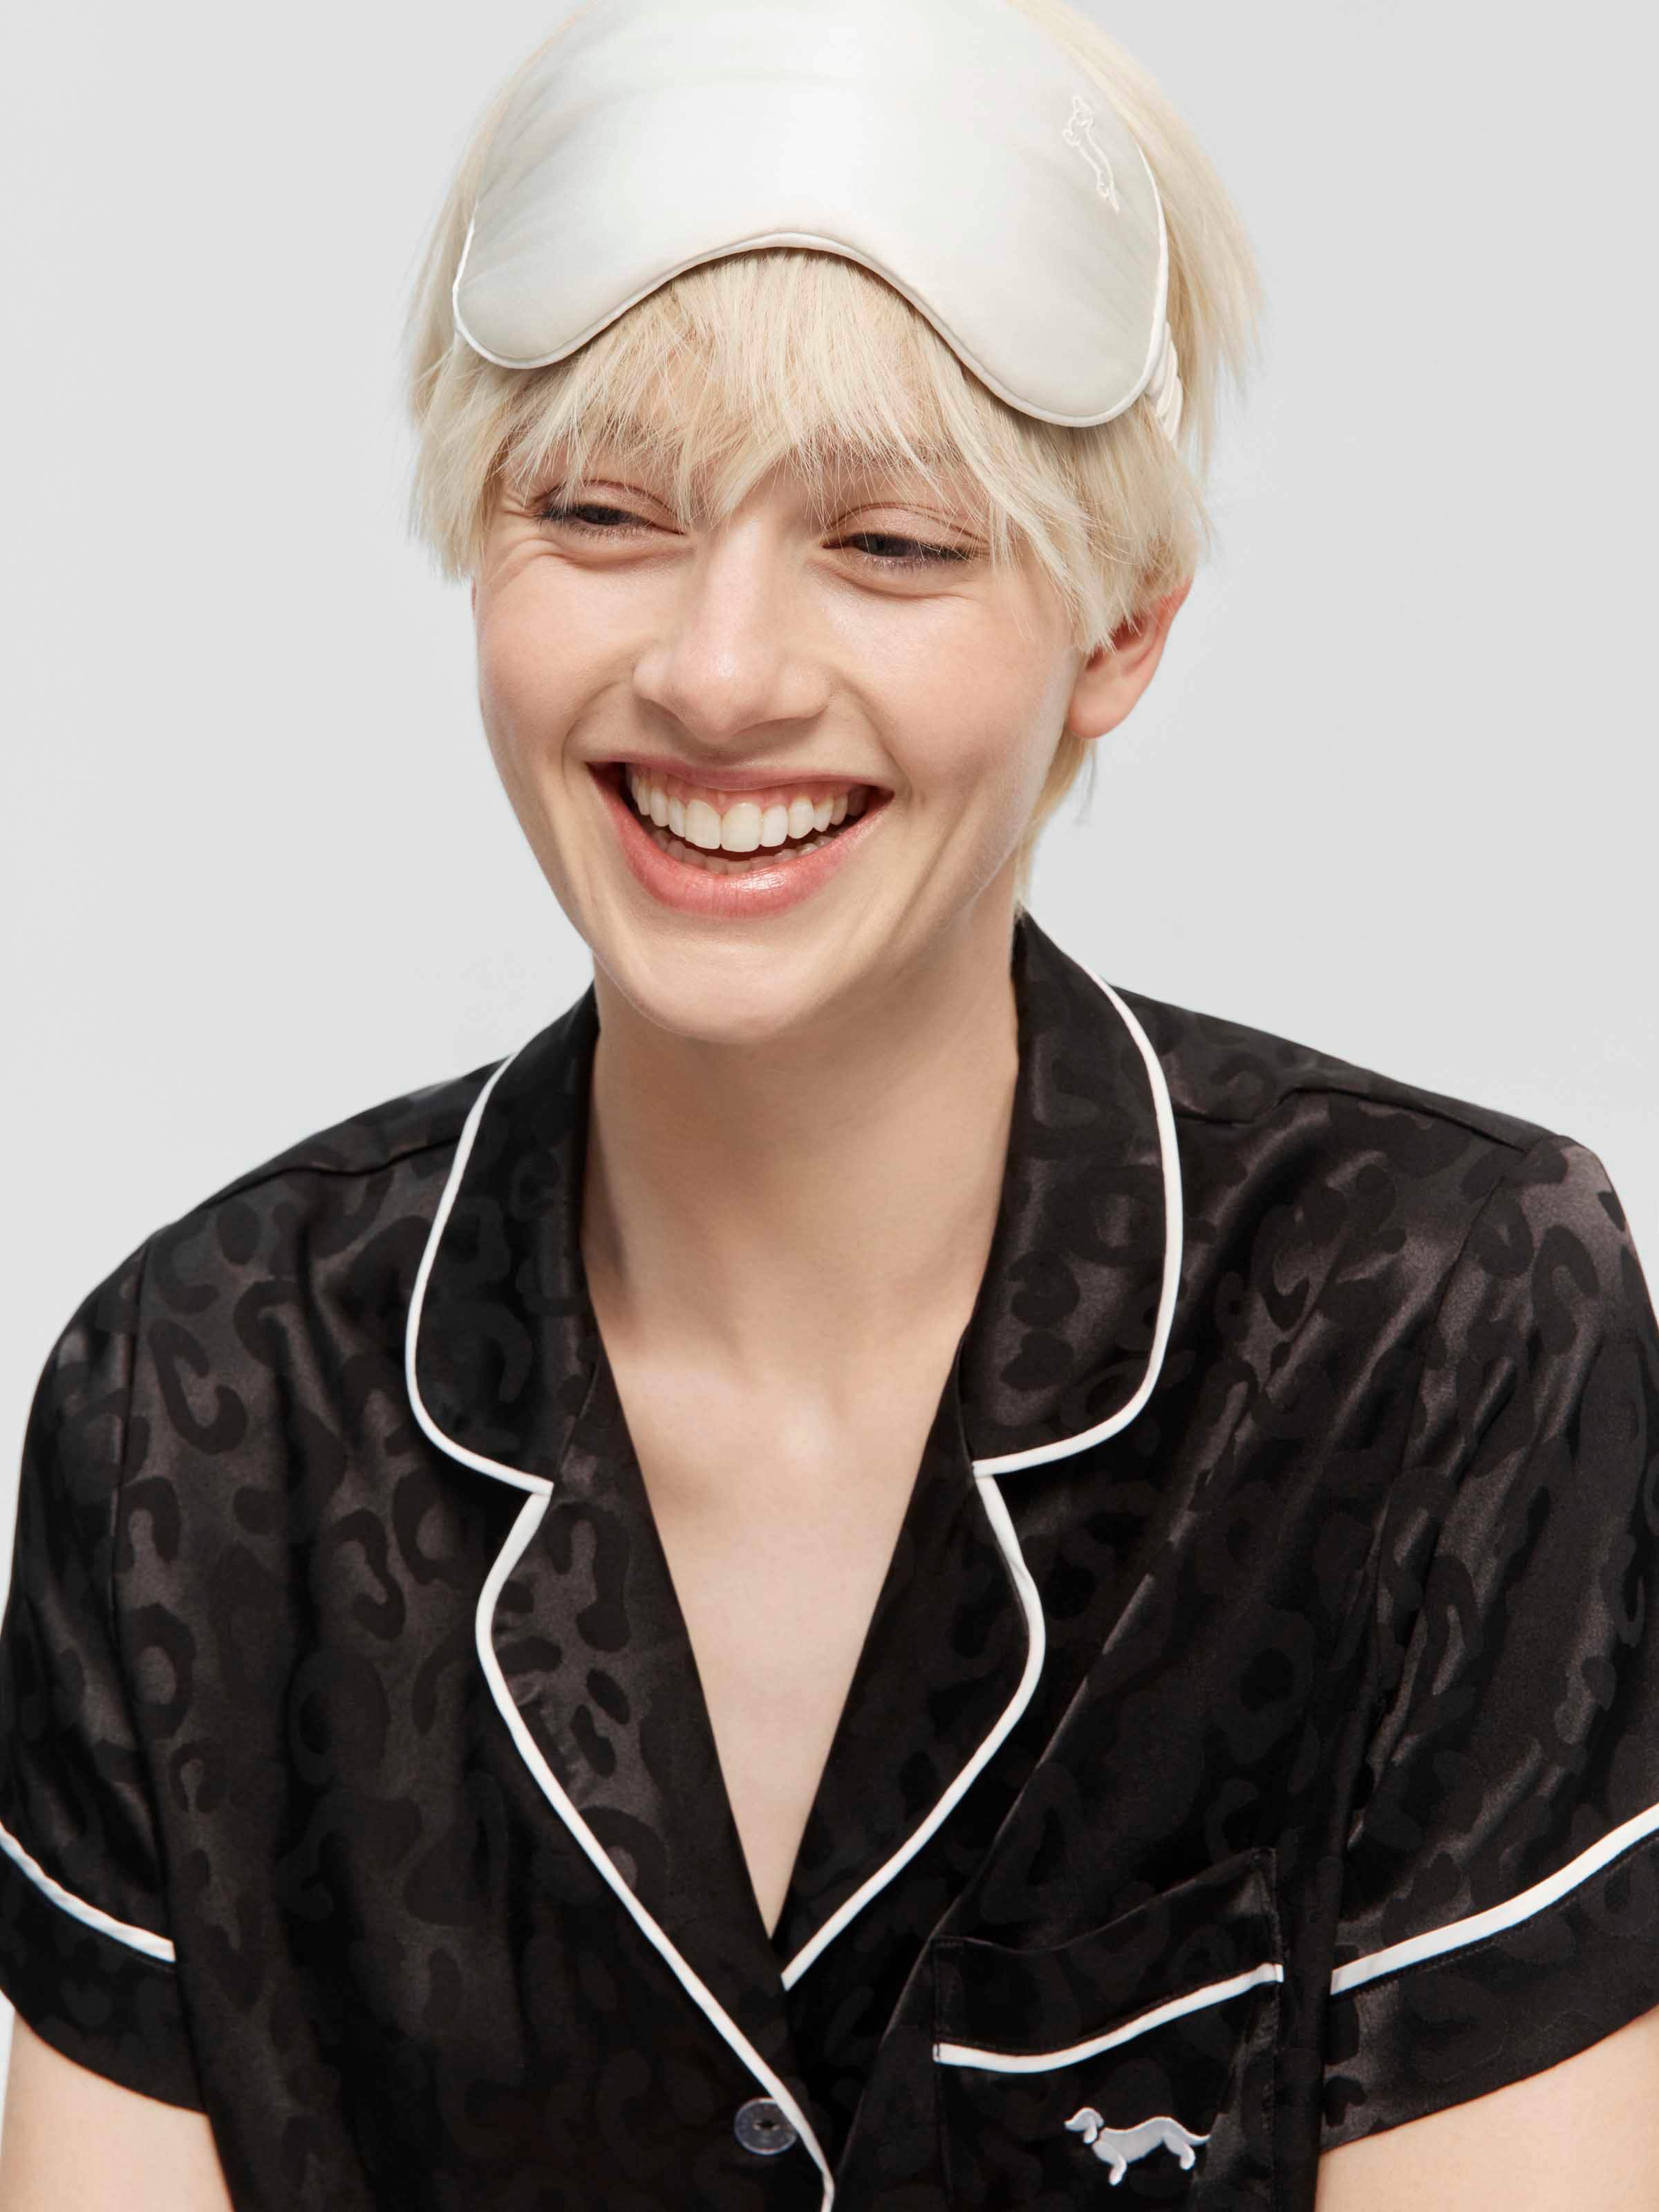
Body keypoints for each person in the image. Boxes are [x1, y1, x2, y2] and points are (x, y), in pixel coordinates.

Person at [2, 0, 1657, 2205]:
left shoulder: (1432, 1330)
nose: (719, 673)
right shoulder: (198, 1411)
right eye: (600, 512)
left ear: (1120, 631)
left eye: (891, 545)